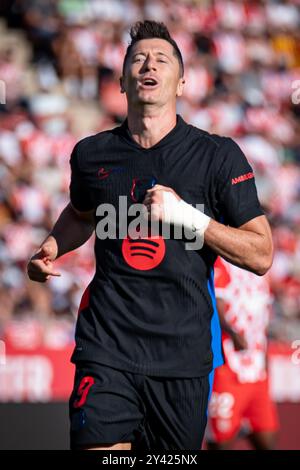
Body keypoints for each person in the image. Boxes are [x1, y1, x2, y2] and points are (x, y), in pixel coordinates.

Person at [27, 20, 273, 451]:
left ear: (181, 82)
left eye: (161, 59)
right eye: (138, 58)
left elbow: (261, 253)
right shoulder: (91, 154)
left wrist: (189, 220)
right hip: (106, 347)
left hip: (183, 359)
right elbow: (82, 214)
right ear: (122, 81)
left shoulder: (218, 156)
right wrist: (52, 245)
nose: (148, 64)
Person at [206, 257, 279, 450]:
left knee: (268, 439)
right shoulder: (222, 261)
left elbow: (263, 317)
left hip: (256, 371)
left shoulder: (262, 264)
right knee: (220, 442)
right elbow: (216, 304)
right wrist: (232, 333)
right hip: (229, 369)